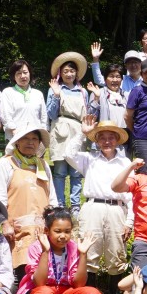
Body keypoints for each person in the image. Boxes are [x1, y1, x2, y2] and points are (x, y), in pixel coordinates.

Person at [66, 118, 133, 294]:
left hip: (116, 208)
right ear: (96, 141)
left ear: (117, 140)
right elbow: (68, 154)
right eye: (102, 138)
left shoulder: (125, 162)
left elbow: (131, 193)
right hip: (93, 207)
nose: (106, 141)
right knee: (88, 252)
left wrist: (129, 220)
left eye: (111, 138)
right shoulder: (89, 158)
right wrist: (82, 132)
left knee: (116, 252)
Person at [0, 120, 53, 279]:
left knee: (42, 272)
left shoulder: (43, 165)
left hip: (41, 228)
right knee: (21, 273)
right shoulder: (6, 163)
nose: (30, 142)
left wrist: (54, 223)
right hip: (17, 229)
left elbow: (52, 197)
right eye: (26, 138)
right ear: (17, 141)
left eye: (34, 139)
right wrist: (4, 223)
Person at [47, 51, 90, 213]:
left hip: (78, 131)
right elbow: (50, 114)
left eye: (72, 71)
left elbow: (87, 114)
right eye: (65, 71)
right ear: (60, 73)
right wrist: (57, 95)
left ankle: (75, 206)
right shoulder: (54, 88)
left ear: (76, 73)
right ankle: (60, 205)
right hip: (60, 130)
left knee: (76, 171)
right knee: (59, 171)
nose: (69, 74)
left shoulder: (83, 91)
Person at [0, 59, 48, 144]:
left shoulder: (38, 93)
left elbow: (44, 117)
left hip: (35, 139)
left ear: (30, 74)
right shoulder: (8, 92)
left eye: (25, 72)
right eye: (18, 73)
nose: (22, 76)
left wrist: (43, 133)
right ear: (13, 76)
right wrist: (14, 131)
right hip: (15, 138)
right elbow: (6, 115)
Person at [87, 61, 129, 128]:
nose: (115, 80)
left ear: (121, 79)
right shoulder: (97, 93)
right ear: (105, 79)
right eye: (111, 76)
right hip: (105, 134)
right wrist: (96, 98)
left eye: (118, 77)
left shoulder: (127, 96)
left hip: (124, 134)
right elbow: (89, 117)